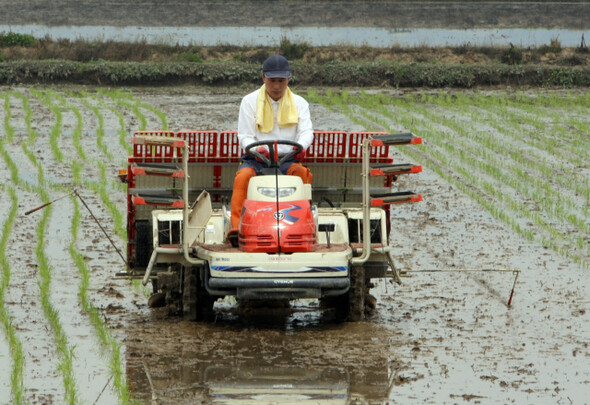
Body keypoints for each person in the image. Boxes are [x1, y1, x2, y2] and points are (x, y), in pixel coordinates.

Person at [229, 54, 314, 236]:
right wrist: (258, 149)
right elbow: (245, 135)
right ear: (263, 78)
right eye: (272, 80)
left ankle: (303, 226)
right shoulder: (249, 102)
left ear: (289, 79)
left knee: (301, 174)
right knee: (242, 177)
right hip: (257, 159)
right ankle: (237, 228)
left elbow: (306, 132)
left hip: (287, 159)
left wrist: (300, 146)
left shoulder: (300, 103)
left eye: (281, 81)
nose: (276, 86)